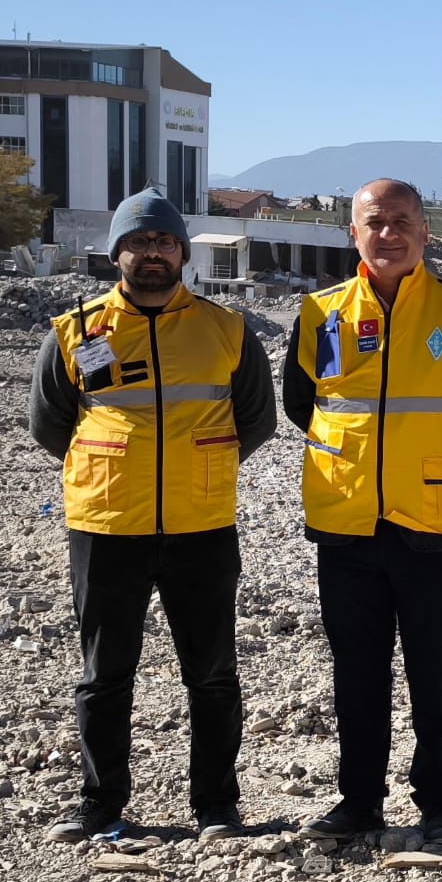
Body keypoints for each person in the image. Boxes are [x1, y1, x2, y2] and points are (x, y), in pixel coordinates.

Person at [29, 186, 277, 844]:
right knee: (104, 677)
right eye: (139, 241)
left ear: (182, 253)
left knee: (213, 673)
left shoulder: (225, 330)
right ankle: (100, 805)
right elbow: (50, 423)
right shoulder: (80, 332)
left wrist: (204, 469)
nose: (152, 252)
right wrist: (116, 471)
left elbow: (256, 420)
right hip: (108, 526)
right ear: (117, 253)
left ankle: (217, 807)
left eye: (164, 241)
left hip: (201, 526)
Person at [284, 178, 442, 846]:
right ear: (353, 234)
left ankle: (439, 807)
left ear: (426, 233)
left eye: (402, 222)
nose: (389, 234)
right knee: (357, 673)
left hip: (433, 523)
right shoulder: (319, 313)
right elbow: (305, 404)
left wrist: (433, 456)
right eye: (375, 222)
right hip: (347, 521)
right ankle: (359, 803)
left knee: (433, 673)